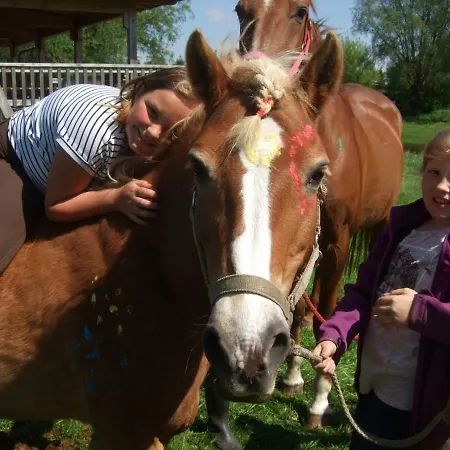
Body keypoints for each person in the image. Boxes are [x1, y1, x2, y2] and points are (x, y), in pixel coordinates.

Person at [312, 127, 450, 450]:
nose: (443, 186)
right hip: (375, 387)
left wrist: (419, 312)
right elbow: (362, 293)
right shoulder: (400, 229)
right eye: (434, 172)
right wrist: (335, 335)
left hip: (426, 411)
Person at [0, 67, 197, 273]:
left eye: (174, 131)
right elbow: (56, 206)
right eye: (153, 112)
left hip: (68, 167)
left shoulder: (143, 134)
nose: (154, 133)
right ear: (138, 92)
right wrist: (115, 199)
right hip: (16, 161)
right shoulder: (97, 134)